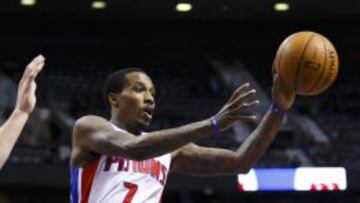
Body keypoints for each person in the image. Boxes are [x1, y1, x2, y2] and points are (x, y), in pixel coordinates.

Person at [70, 67, 295, 203]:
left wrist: (278, 110)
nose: (149, 98)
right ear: (114, 99)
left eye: (153, 93)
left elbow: (240, 162)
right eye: (139, 89)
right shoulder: (89, 128)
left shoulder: (168, 151)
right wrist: (213, 124)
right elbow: (135, 149)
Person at [0, 55, 45, 169]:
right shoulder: (7, 83)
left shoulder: (7, 83)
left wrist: (21, 111)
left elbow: (9, 108)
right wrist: (21, 112)